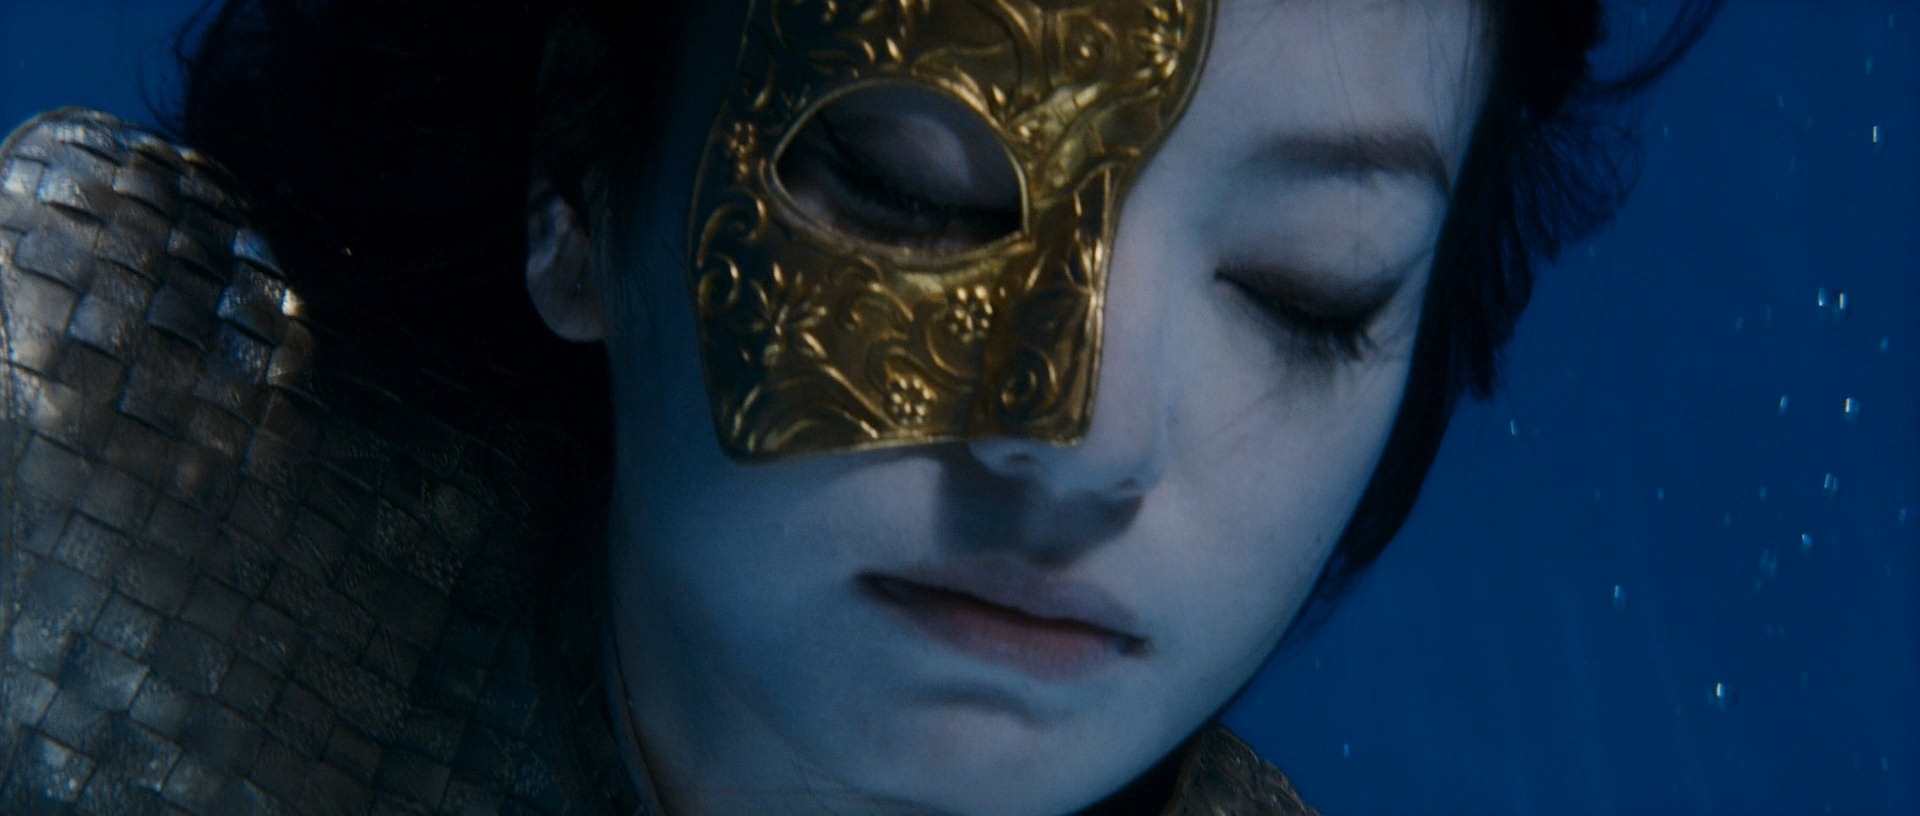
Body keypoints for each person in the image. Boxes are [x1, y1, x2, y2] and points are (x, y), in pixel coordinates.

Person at [0, 0, 1716, 813]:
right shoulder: (79, 434)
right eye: (911, 192)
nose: (1088, 442)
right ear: (579, 173)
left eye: (1304, 287)